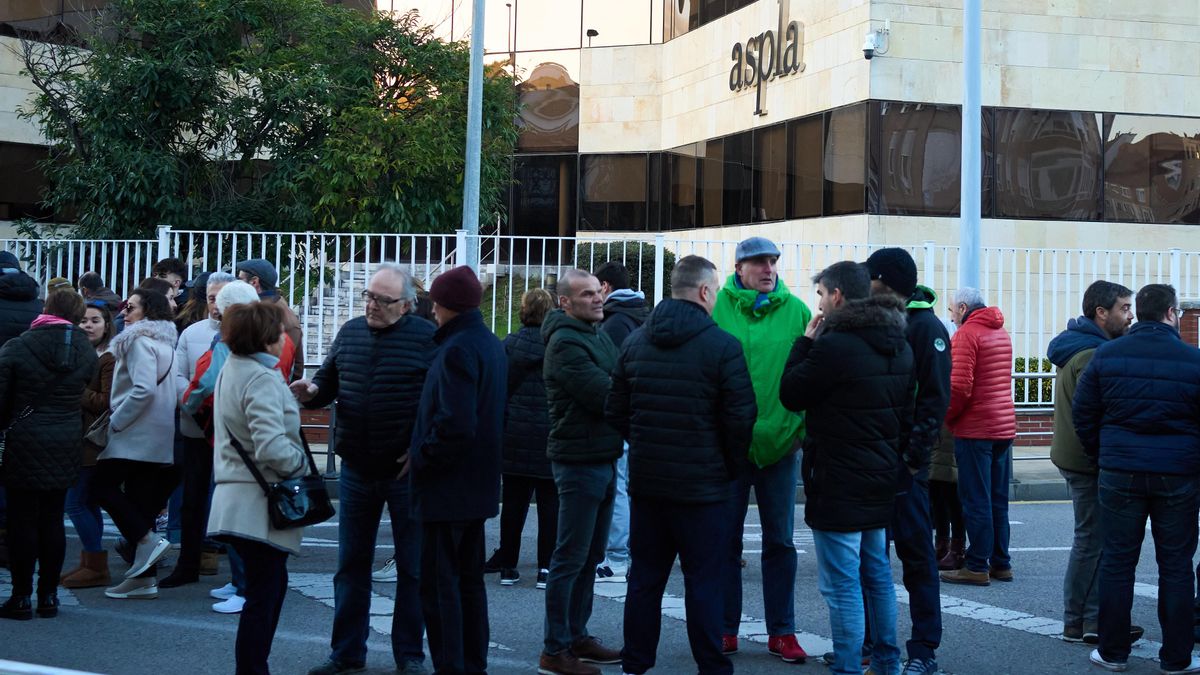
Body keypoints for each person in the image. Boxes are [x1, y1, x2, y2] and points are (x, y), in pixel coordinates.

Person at [605, 255, 756, 675]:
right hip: (704, 488)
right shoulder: (723, 346)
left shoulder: (635, 342)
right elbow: (741, 418)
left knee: (645, 578)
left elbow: (614, 409)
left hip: (649, 484)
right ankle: (711, 665)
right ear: (707, 292)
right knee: (704, 581)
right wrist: (726, 464)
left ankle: (635, 663)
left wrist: (646, 443)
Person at [295, 265, 435, 675]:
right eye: (368, 296)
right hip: (356, 466)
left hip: (405, 472)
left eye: (382, 299)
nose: (371, 305)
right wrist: (313, 391)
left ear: (407, 305)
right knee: (351, 565)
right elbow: (328, 381)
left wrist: (420, 448)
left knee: (413, 568)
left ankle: (409, 654)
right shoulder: (351, 330)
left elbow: (438, 402)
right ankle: (346, 653)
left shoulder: (427, 339)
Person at [778, 261, 913, 675]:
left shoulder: (834, 346)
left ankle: (849, 667)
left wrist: (803, 343)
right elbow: (905, 415)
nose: (818, 302)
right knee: (876, 575)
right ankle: (888, 663)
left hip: (838, 479)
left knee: (842, 587)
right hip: (880, 478)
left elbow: (791, 393)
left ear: (836, 296)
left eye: (820, 294)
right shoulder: (900, 343)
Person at [1072, 284, 1200, 674]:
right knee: (1176, 565)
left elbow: (1084, 414)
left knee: (1117, 562)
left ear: (1138, 313)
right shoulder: (1193, 360)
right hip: (1178, 474)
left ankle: (1113, 652)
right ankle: (1177, 657)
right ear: (1171, 313)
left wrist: (1104, 453)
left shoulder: (1107, 354)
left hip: (1120, 470)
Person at [711, 236, 811, 662]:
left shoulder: (798, 311)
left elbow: (812, 370)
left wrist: (800, 428)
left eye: (772, 261)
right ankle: (725, 628)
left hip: (782, 445)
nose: (768, 268)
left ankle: (782, 631)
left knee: (781, 543)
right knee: (725, 542)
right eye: (758, 262)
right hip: (729, 447)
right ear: (739, 268)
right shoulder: (717, 309)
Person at [409, 266, 506, 674]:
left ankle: (453, 665)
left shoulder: (457, 349)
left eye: (434, 301)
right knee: (468, 585)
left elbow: (454, 423)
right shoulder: (488, 343)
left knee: (440, 587)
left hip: (448, 490)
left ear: (444, 304)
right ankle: (472, 663)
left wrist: (423, 459)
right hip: (476, 486)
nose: (431, 309)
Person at [207, 301, 309, 675]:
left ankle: (252, 667)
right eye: (281, 331)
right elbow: (270, 446)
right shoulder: (261, 377)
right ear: (267, 338)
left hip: (238, 497)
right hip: (259, 502)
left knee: (263, 592)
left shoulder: (233, 368)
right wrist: (300, 465)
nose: (286, 338)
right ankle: (252, 669)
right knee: (264, 597)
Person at [864, 248, 950, 674]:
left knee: (916, 557)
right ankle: (871, 643)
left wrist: (914, 460)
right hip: (871, 461)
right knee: (869, 557)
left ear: (884, 281)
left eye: (870, 277)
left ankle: (923, 650)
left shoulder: (925, 326)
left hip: (905, 468)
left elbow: (935, 399)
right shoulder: (872, 319)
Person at [182, 280, 291, 614]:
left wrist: (297, 462)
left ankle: (243, 586)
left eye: (219, 304)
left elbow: (201, 387)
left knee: (243, 523)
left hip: (233, 444)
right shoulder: (275, 343)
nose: (214, 309)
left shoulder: (232, 348)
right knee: (259, 532)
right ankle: (241, 583)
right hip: (253, 447)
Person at [540, 268, 624, 675]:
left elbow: (619, 379)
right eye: (587, 294)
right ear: (565, 303)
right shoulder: (564, 343)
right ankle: (555, 650)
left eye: (598, 292)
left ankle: (577, 635)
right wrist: (623, 385)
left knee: (591, 555)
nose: (597, 298)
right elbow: (606, 393)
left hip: (603, 456)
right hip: (578, 461)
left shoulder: (596, 334)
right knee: (570, 557)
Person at [1046, 281, 1137, 645]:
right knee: (1091, 540)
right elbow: (1096, 413)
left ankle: (1088, 619)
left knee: (1093, 538)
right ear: (1101, 312)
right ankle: (1080, 620)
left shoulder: (1082, 346)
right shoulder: (1092, 354)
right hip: (1087, 460)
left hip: (1078, 456)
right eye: (1124, 308)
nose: (1130, 316)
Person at [0, 291, 97, 620]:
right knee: (53, 519)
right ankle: (49, 596)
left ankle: (21, 596)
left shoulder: (18, 346)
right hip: (67, 439)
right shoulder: (85, 350)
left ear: (46, 309)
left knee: (21, 521)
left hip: (24, 440)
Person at [91, 288, 179, 600]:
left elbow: (143, 390)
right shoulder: (165, 342)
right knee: (140, 503)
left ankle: (147, 542)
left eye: (131, 308)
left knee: (100, 487)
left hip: (134, 432)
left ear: (148, 312)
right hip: (157, 434)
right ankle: (145, 579)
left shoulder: (139, 341)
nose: (124, 313)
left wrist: (116, 421)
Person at [159, 272, 235, 589]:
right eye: (212, 297)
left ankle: (232, 567)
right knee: (192, 498)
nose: (215, 304)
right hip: (195, 428)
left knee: (230, 498)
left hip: (232, 432)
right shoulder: (192, 332)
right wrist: (191, 401)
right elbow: (178, 373)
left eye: (222, 297)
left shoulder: (250, 333)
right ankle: (187, 562)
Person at [939, 288, 1016, 587]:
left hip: (976, 428)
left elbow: (959, 388)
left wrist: (947, 418)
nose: (951, 317)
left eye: (952, 311)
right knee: (998, 499)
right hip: (1003, 426)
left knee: (975, 499)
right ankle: (1001, 562)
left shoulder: (967, 335)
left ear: (962, 307)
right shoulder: (1000, 332)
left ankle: (976, 565)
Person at [483, 288, 558, 588]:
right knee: (550, 504)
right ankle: (545, 568)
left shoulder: (510, 344)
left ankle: (508, 566)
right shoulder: (556, 345)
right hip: (550, 433)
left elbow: (499, 388)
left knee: (513, 503)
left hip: (514, 432)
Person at [592, 261, 647, 583]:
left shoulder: (614, 323)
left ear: (606, 287)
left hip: (621, 415)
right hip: (637, 413)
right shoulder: (637, 314)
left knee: (619, 487)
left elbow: (609, 372)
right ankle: (620, 553)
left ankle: (616, 556)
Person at [60, 300, 117, 589]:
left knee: (76, 504)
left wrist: (75, 390)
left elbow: (106, 402)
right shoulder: (80, 352)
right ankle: (90, 562)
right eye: (83, 320)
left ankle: (95, 563)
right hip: (76, 437)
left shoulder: (107, 358)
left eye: (95, 320)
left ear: (107, 324)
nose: (88, 325)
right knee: (86, 502)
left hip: (92, 442)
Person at [237, 259, 304, 381]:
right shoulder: (273, 310)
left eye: (240, 280)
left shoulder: (268, 316)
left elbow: (287, 366)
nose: (236, 284)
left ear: (254, 282)